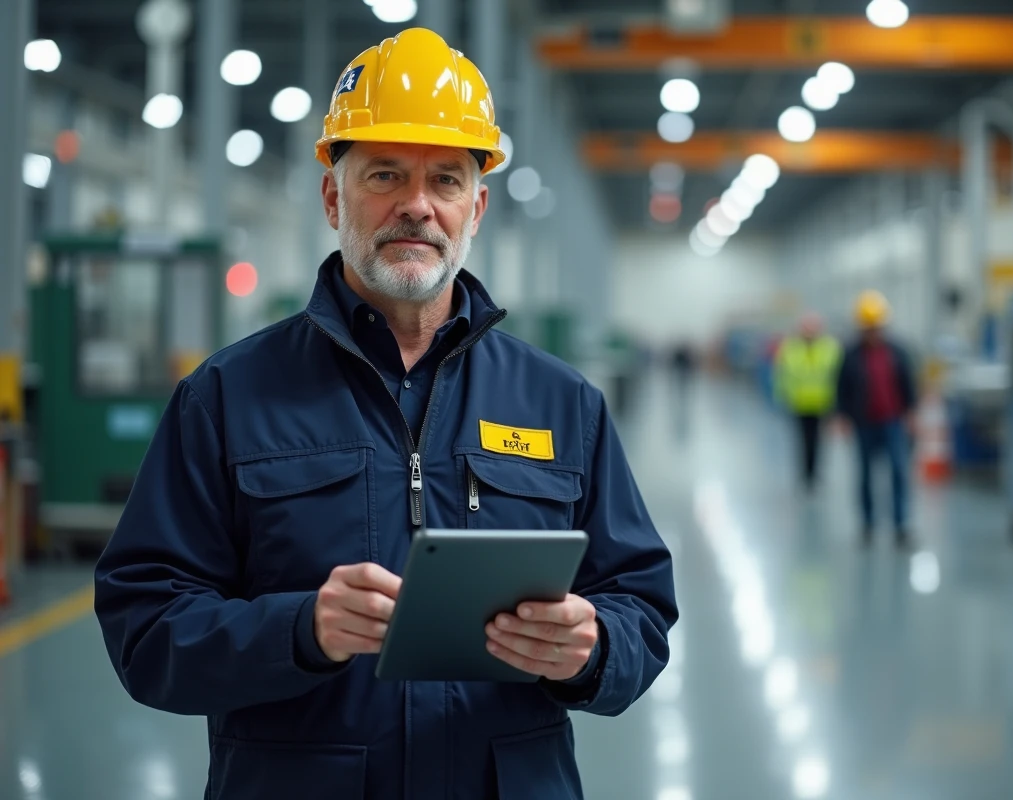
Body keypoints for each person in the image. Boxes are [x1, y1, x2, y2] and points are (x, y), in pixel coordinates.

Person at [92, 28, 677, 800]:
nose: (417, 206)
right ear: (335, 195)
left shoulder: (563, 403)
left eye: (447, 179)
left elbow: (640, 605)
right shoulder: (227, 398)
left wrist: (594, 648)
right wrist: (300, 630)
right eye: (385, 176)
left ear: (478, 206)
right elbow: (146, 628)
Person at [836, 290, 917, 547]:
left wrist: (911, 414)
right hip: (864, 422)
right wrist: (843, 417)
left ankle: (901, 525)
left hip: (893, 421)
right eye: (868, 327)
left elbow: (907, 384)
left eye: (876, 327)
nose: (873, 332)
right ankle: (868, 525)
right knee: (865, 475)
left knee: (898, 471)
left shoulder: (898, 351)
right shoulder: (850, 354)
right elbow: (842, 387)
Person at [772, 312, 842, 489]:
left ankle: (815, 473)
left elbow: (839, 375)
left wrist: (838, 403)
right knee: (802, 441)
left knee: (818, 441)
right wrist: (782, 397)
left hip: (822, 402)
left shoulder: (830, 347)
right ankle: (804, 474)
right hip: (799, 402)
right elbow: (781, 374)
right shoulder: (790, 347)